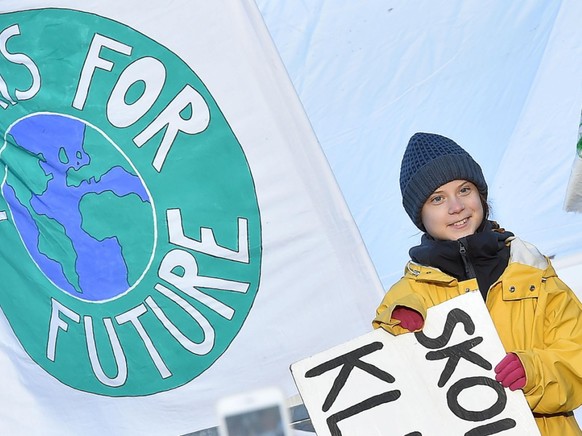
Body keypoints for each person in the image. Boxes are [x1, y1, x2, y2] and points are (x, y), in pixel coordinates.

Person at [372, 132, 582, 435]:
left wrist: (533, 372)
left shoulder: (533, 271)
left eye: (464, 189)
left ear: (481, 194)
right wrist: (396, 335)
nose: (456, 206)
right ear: (421, 215)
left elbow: (577, 357)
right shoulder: (404, 300)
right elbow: (391, 394)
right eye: (437, 198)